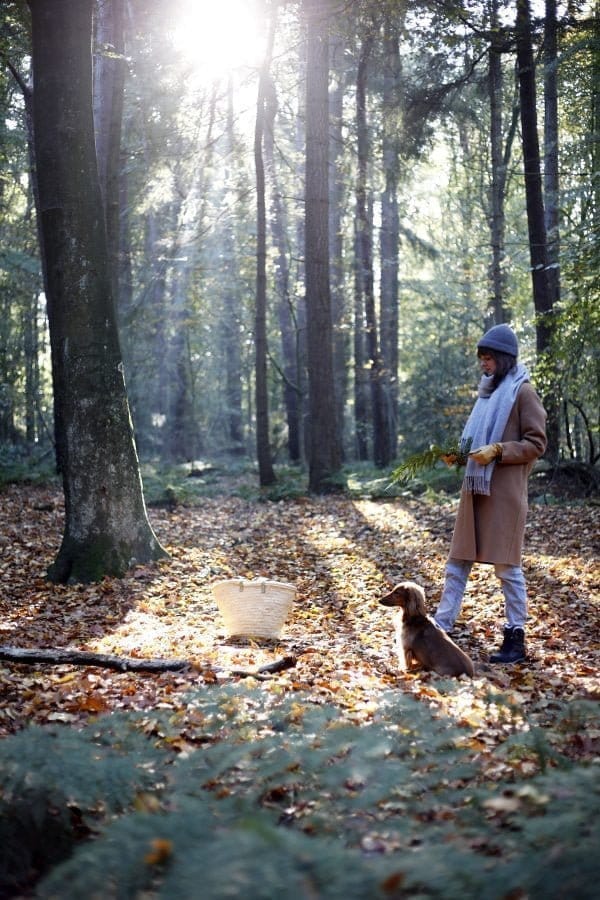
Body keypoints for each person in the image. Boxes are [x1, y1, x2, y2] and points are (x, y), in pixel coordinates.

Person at [434, 324, 547, 663]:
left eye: (488, 359)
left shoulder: (522, 392)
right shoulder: (486, 394)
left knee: (506, 568)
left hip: (504, 496)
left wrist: (499, 450)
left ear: (503, 359)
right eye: (481, 359)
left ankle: (515, 637)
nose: (483, 365)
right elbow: (474, 442)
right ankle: (439, 629)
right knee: (457, 563)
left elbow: (537, 443)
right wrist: (458, 454)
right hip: (476, 490)